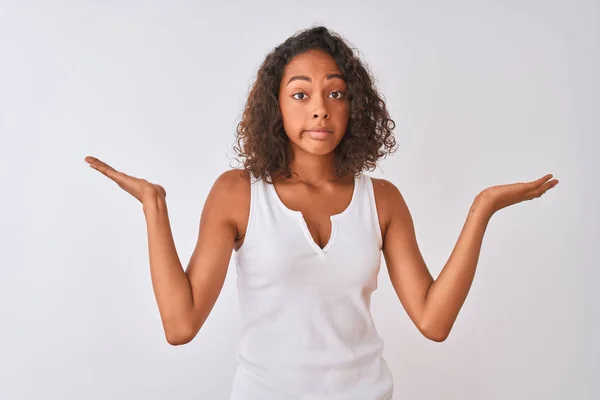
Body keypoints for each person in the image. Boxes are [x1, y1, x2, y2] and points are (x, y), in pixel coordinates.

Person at [84, 26, 559, 400]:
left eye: (335, 93)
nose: (320, 110)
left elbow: (434, 322)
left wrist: (482, 209)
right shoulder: (238, 193)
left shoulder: (383, 200)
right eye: (300, 94)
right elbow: (180, 325)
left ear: (354, 106)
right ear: (276, 106)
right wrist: (155, 206)